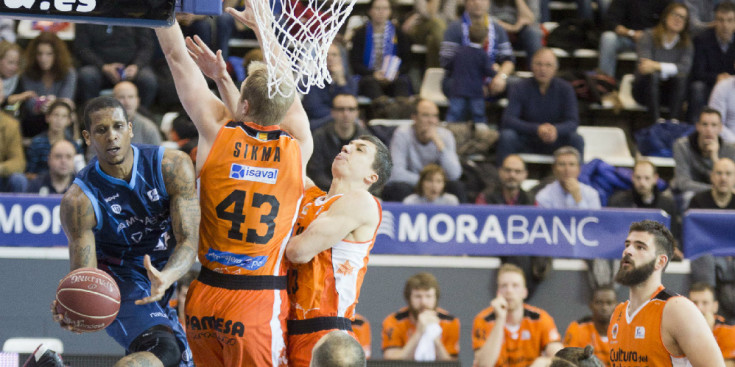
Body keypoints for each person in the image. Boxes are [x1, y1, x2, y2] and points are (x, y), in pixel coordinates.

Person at [156, 2, 314, 364]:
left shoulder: (217, 131)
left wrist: (156, 9)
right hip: (257, 299)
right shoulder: (298, 147)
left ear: (242, 103)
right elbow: (284, 92)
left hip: (204, 295)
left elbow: (177, 58)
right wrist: (264, 29)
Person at [51, 96, 200, 367]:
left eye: (118, 126)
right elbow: (87, 275)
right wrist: (77, 304)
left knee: (178, 361)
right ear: (87, 137)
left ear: (130, 128)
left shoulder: (172, 167)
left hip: (163, 277)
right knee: (164, 349)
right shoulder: (79, 200)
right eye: (101, 130)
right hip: (120, 281)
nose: (112, 137)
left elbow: (189, 241)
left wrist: (167, 276)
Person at [284, 133, 390, 366]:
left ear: (372, 176)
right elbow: (287, 148)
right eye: (349, 144)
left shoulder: (363, 201)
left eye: (360, 149)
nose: (346, 147)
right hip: (286, 327)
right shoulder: (311, 197)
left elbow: (298, 252)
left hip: (324, 331)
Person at [608, 220, 725, 366]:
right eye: (627, 245)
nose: (628, 251)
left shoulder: (677, 309)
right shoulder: (618, 313)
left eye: (640, 247)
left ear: (660, 261)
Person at [497, 48, 583, 165]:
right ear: (531, 66)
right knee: (507, 136)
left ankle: (578, 181)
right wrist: (537, 129)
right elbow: (509, 120)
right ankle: (501, 178)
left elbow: (573, 122)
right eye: (539, 64)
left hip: (555, 140)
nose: (543, 69)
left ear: (555, 68)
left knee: (577, 139)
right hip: (527, 138)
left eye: (548, 65)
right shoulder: (519, 87)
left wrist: (556, 130)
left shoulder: (566, 89)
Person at [473, 263, 563, 366]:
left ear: (524, 292)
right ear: (498, 292)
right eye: (504, 286)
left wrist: (544, 362)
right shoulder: (483, 319)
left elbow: (562, 360)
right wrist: (500, 319)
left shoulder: (540, 318)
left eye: (515, 285)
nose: (509, 291)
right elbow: (484, 365)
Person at [383, 99, 464, 202]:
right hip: (412, 184)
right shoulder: (402, 134)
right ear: (414, 118)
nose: (431, 121)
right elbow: (395, 173)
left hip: (438, 185)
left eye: (435, 116)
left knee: (457, 187)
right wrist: (426, 182)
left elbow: (454, 174)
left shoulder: (445, 136)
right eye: (426, 115)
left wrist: (439, 143)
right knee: (397, 188)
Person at [687, 158, 735, 321]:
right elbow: (693, 236)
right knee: (703, 259)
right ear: (712, 177)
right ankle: (707, 315)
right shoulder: (698, 201)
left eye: (728, 174)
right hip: (705, 256)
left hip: (732, 257)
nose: (723, 178)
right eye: (719, 173)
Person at [632, 3, 693, 122]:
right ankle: (655, 122)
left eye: (682, 17)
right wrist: (671, 68)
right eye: (675, 15)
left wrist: (656, 66)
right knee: (652, 76)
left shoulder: (686, 43)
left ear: (686, 23)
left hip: (669, 92)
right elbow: (644, 66)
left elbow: (685, 68)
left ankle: (673, 122)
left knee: (681, 79)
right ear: (665, 16)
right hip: (644, 90)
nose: (678, 19)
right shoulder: (648, 36)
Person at [440, 0, 515, 98]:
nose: (477, 3)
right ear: (465, 3)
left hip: (492, 79)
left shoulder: (497, 28)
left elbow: (508, 60)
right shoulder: (454, 28)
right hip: (461, 78)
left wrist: (501, 76)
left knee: (517, 86)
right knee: (453, 85)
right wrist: (475, 81)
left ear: (488, 2)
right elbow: (446, 62)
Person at [382, 272, 460, 361]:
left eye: (428, 296)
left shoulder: (450, 322)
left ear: (436, 298)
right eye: (418, 296)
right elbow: (391, 362)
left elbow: (451, 364)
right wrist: (419, 332)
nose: (423, 302)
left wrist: (434, 336)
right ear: (409, 298)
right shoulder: (394, 321)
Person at [74, 24, 157, 107]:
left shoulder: (136, 14)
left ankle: (141, 114)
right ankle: (91, 112)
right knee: (87, 75)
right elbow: (82, 48)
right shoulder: (88, 18)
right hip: (99, 68)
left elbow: (147, 46)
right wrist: (103, 67)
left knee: (148, 80)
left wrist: (136, 65)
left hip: (132, 67)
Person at [349, 0, 413, 99]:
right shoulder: (360, 34)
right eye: (377, 8)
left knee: (402, 83)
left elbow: (407, 62)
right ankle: (381, 107)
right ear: (370, 11)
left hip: (393, 76)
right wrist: (373, 74)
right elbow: (355, 63)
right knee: (369, 82)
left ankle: (401, 109)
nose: (381, 12)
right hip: (369, 76)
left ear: (390, 11)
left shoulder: (399, 33)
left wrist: (396, 73)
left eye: (385, 9)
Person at [672, 107, 735, 207]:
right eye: (705, 124)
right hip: (691, 192)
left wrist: (715, 158)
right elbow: (683, 183)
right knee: (688, 196)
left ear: (720, 128)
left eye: (714, 125)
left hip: (720, 193)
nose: (709, 130)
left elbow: (731, 181)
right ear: (698, 126)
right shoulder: (682, 145)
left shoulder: (730, 149)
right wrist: (714, 189)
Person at [307, 94, 371, 191]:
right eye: (341, 109)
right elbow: (315, 172)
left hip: (358, 192)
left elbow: (370, 170)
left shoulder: (367, 139)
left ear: (357, 113)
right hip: (325, 192)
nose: (346, 114)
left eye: (351, 109)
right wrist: (338, 189)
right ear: (333, 112)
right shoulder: (319, 137)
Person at [18, 32, 77, 138]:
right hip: (35, 120)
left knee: (63, 118)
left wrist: (53, 105)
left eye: (49, 54)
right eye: (39, 54)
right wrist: (41, 105)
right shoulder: (28, 73)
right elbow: (30, 104)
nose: (43, 59)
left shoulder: (69, 73)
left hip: (59, 120)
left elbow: (66, 100)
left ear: (57, 55)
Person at [597, 0, 673, 78]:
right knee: (608, 37)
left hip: (652, 40)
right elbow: (611, 22)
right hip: (627, 38)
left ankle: (654, 84)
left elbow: (668, 24)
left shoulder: (664, 2)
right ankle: (604, 83)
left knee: (666, 40)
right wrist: (631, 33)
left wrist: (648, 36)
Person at [688, 1, 735, 124]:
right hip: (709, 84)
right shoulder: (702, 39)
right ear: (714, 21)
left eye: (729, 20)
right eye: (720, 20)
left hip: (732, 86)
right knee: (697, 87)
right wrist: (717, 77)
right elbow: (697, 73)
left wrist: (729, 79)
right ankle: (695, 126)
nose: (725, 25)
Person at [608, 160, 678, 239]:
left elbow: (672, 237)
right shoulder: (618, 202)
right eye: (638, 178)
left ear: (655, 178)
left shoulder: (667, 204)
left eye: (647, 178)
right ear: (632, 177)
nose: (642, 183)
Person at [444, 23, 495, 125]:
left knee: (454, 114)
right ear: (485, 39)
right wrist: (496, 71)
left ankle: (448, 133)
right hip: (476, 92)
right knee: (478, 116)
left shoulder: (459, 51)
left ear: (468, 36)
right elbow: (489, 72)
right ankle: (480, 137)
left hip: (458, 89)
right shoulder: (482, 55)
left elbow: (448, 66)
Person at [302, 43, 358, 130]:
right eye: (326, 55)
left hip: (341, 120)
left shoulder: (350, 81)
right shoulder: (311, 81)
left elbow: (350, 106)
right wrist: (338, 115)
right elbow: (315, 110)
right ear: (319, 59)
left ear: (341, 59)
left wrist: (341, 83)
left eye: (334, 55)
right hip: (319, 122)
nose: (330, 58)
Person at [563, 286, 616, 366]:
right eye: (599, 303)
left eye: (609, 303)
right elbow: (567, 361)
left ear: (617, 306)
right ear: (591, 305)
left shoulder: (625, 331)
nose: (604, 308)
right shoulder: (577, 328)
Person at [25, 101, 80, 176]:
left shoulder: (74, 146)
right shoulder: (37, 142)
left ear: (69, 121)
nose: (59, 120)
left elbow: (81, 173)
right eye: (56, 115)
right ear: (47, 118)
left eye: (64, 116)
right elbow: (29, 173)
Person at [536, 147, 601, 209]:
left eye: (572, 164)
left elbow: (593, 219)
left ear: (579, 169)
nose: (567, 169)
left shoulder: (591, 194)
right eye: (562, 164)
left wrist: (578, 199)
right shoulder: (544, 195)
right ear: (554, 169)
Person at [688, 282, 735, 366]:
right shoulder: (680, 329)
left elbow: (728, 365)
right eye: (694, 302)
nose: (699, 308)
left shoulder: (729, 330)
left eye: (705, 303)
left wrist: (706, 332)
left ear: (715, 306)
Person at [401, 0, 458, 68]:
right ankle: (452, 61)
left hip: (439, 32)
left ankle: (434, 76)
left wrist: (417, 16)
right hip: (420, 28)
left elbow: (449, 16)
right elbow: (426, 14)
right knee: (437, 24)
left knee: (431, 40)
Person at [490, 0, 543, 69]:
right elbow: (485, 16)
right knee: (486, 29)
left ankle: (537, 73)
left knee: (533, 33)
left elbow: (532, 19)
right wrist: (511, 28)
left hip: (520, 31)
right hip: (496, 29)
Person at [113, 81, 162, 146]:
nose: (127, 102)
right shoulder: (102, 128)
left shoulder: (149, 129)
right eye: (121, 97)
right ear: (113, 101)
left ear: (137, 101)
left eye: (131, 97)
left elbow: (157, 155)